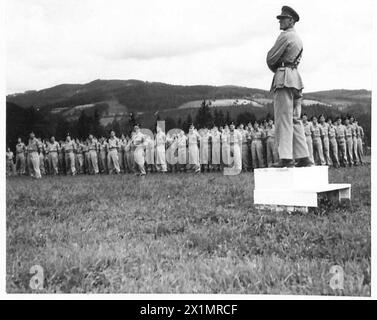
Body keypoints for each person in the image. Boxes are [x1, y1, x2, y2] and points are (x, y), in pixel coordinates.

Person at [266, 6, 312, 167]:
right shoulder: (298, 38)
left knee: (283, 119)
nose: (280, 21)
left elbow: (271, 58)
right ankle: (303, 156)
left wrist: (278, 68)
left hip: (284, 77)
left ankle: (285, 158)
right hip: (296, 78)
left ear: (291, 20)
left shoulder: (285, 36)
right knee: (295, 119)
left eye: (283, 18)